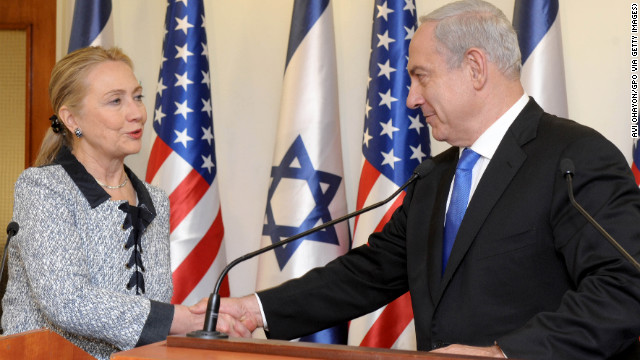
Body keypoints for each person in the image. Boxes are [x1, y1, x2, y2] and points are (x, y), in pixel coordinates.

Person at [216, 1, 640, 359]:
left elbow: (626, 287)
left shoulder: (574, 156)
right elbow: (367, 274)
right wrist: (255, 309)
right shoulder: (435, 176)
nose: (411, 98)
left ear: (475, 67)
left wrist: (507, 353)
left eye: (421, 76)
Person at [1, 46, 207, 360]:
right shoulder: (43, 188)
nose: (136, 112)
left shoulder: (156, 201)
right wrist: (179, 319)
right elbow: (67, 301)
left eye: (137, 96)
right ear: (71, 119)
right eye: (116, 101)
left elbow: (150, 305)